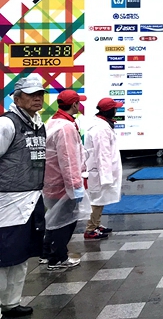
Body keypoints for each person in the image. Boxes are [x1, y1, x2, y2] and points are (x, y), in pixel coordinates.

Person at [0, 75, 48, 318]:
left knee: (21, 254)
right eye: (31, 94)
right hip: (7, 201)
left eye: (40, 93)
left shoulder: (39, 123)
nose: (37, 98)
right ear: (17, 99)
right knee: (3, 255)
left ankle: (10, 303)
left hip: (32, 199)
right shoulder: (7, 125)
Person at [42, 89, 88, 271]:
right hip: (63, 184)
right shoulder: (66, 127)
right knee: (65, 222)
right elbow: (68, 159)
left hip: (51, 181)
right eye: (79, 102)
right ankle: (57, 258)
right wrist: (75, 186)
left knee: (53, 219)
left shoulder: (52, 122)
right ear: (75, 104)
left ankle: (46, 254)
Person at [84, 98, 123, 240]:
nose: (116, 111)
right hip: (99, 171)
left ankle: (96, 224)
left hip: (101, 170)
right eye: (115, 108)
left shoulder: (103, 125)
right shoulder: (101, 129)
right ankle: (90, 229)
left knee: (101, 198)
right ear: (109, 110)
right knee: (97, 200)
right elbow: (103, 153)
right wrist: (106, 175)